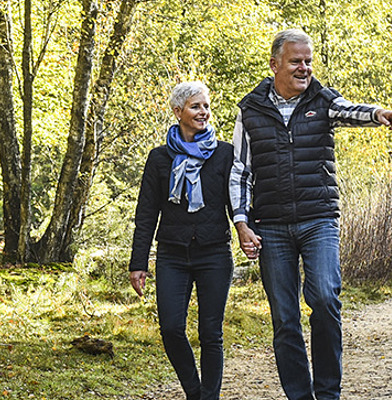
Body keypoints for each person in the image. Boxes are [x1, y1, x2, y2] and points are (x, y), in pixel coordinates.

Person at [231, 29, 392, 400]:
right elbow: (240, 172)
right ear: (275, 64)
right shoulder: (250, 111)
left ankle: (328, 394)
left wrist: (378, 114)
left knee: (325, 298)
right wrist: (242, 223)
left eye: (308, 61)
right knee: (284, 318)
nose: (304, 68)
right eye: (296, 61)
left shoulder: (321, 100)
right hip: (271, 225)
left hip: (318, 218)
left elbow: (350, 110)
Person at [129, 80, 246, 400]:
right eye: (196, 106)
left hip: (214, 253)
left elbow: (237, 201)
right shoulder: (159, 159)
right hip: (172, 254)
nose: (203, 112)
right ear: (178, 111)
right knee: (170, 329)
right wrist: (138, 263)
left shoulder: (225, 154)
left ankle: (209, 397)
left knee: (211, 333)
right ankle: (196, 393)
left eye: (206, 106)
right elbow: (146, 213)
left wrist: (246, 230)